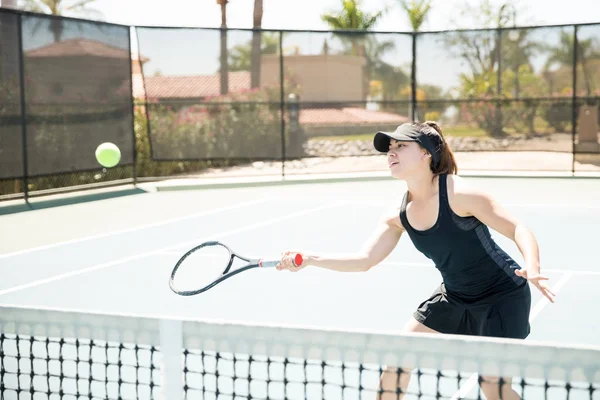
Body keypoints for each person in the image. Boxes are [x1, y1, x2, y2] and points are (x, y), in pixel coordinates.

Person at [276, 121, 556, 400]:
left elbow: (518, 228)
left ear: (426, 154)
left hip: (502, 297)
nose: (391, 152)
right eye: (390, 148)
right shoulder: (399, 216)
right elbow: (364, 260)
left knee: (492, 385)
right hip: (456, 296)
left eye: (401, 146)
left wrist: (532, 266)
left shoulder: (460, 195)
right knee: (397, 361)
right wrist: (310, 259)